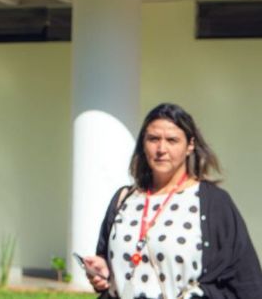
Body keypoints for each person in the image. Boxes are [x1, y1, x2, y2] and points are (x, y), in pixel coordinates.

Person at [84, 102, 262, 298]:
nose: (161, 148)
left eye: (172, 140)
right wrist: (101, 272)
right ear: (143, 144)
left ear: (190, 145)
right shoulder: (124, 199)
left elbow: (247, 279)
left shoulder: (214, 203)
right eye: (153, 139)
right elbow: (107, 265)